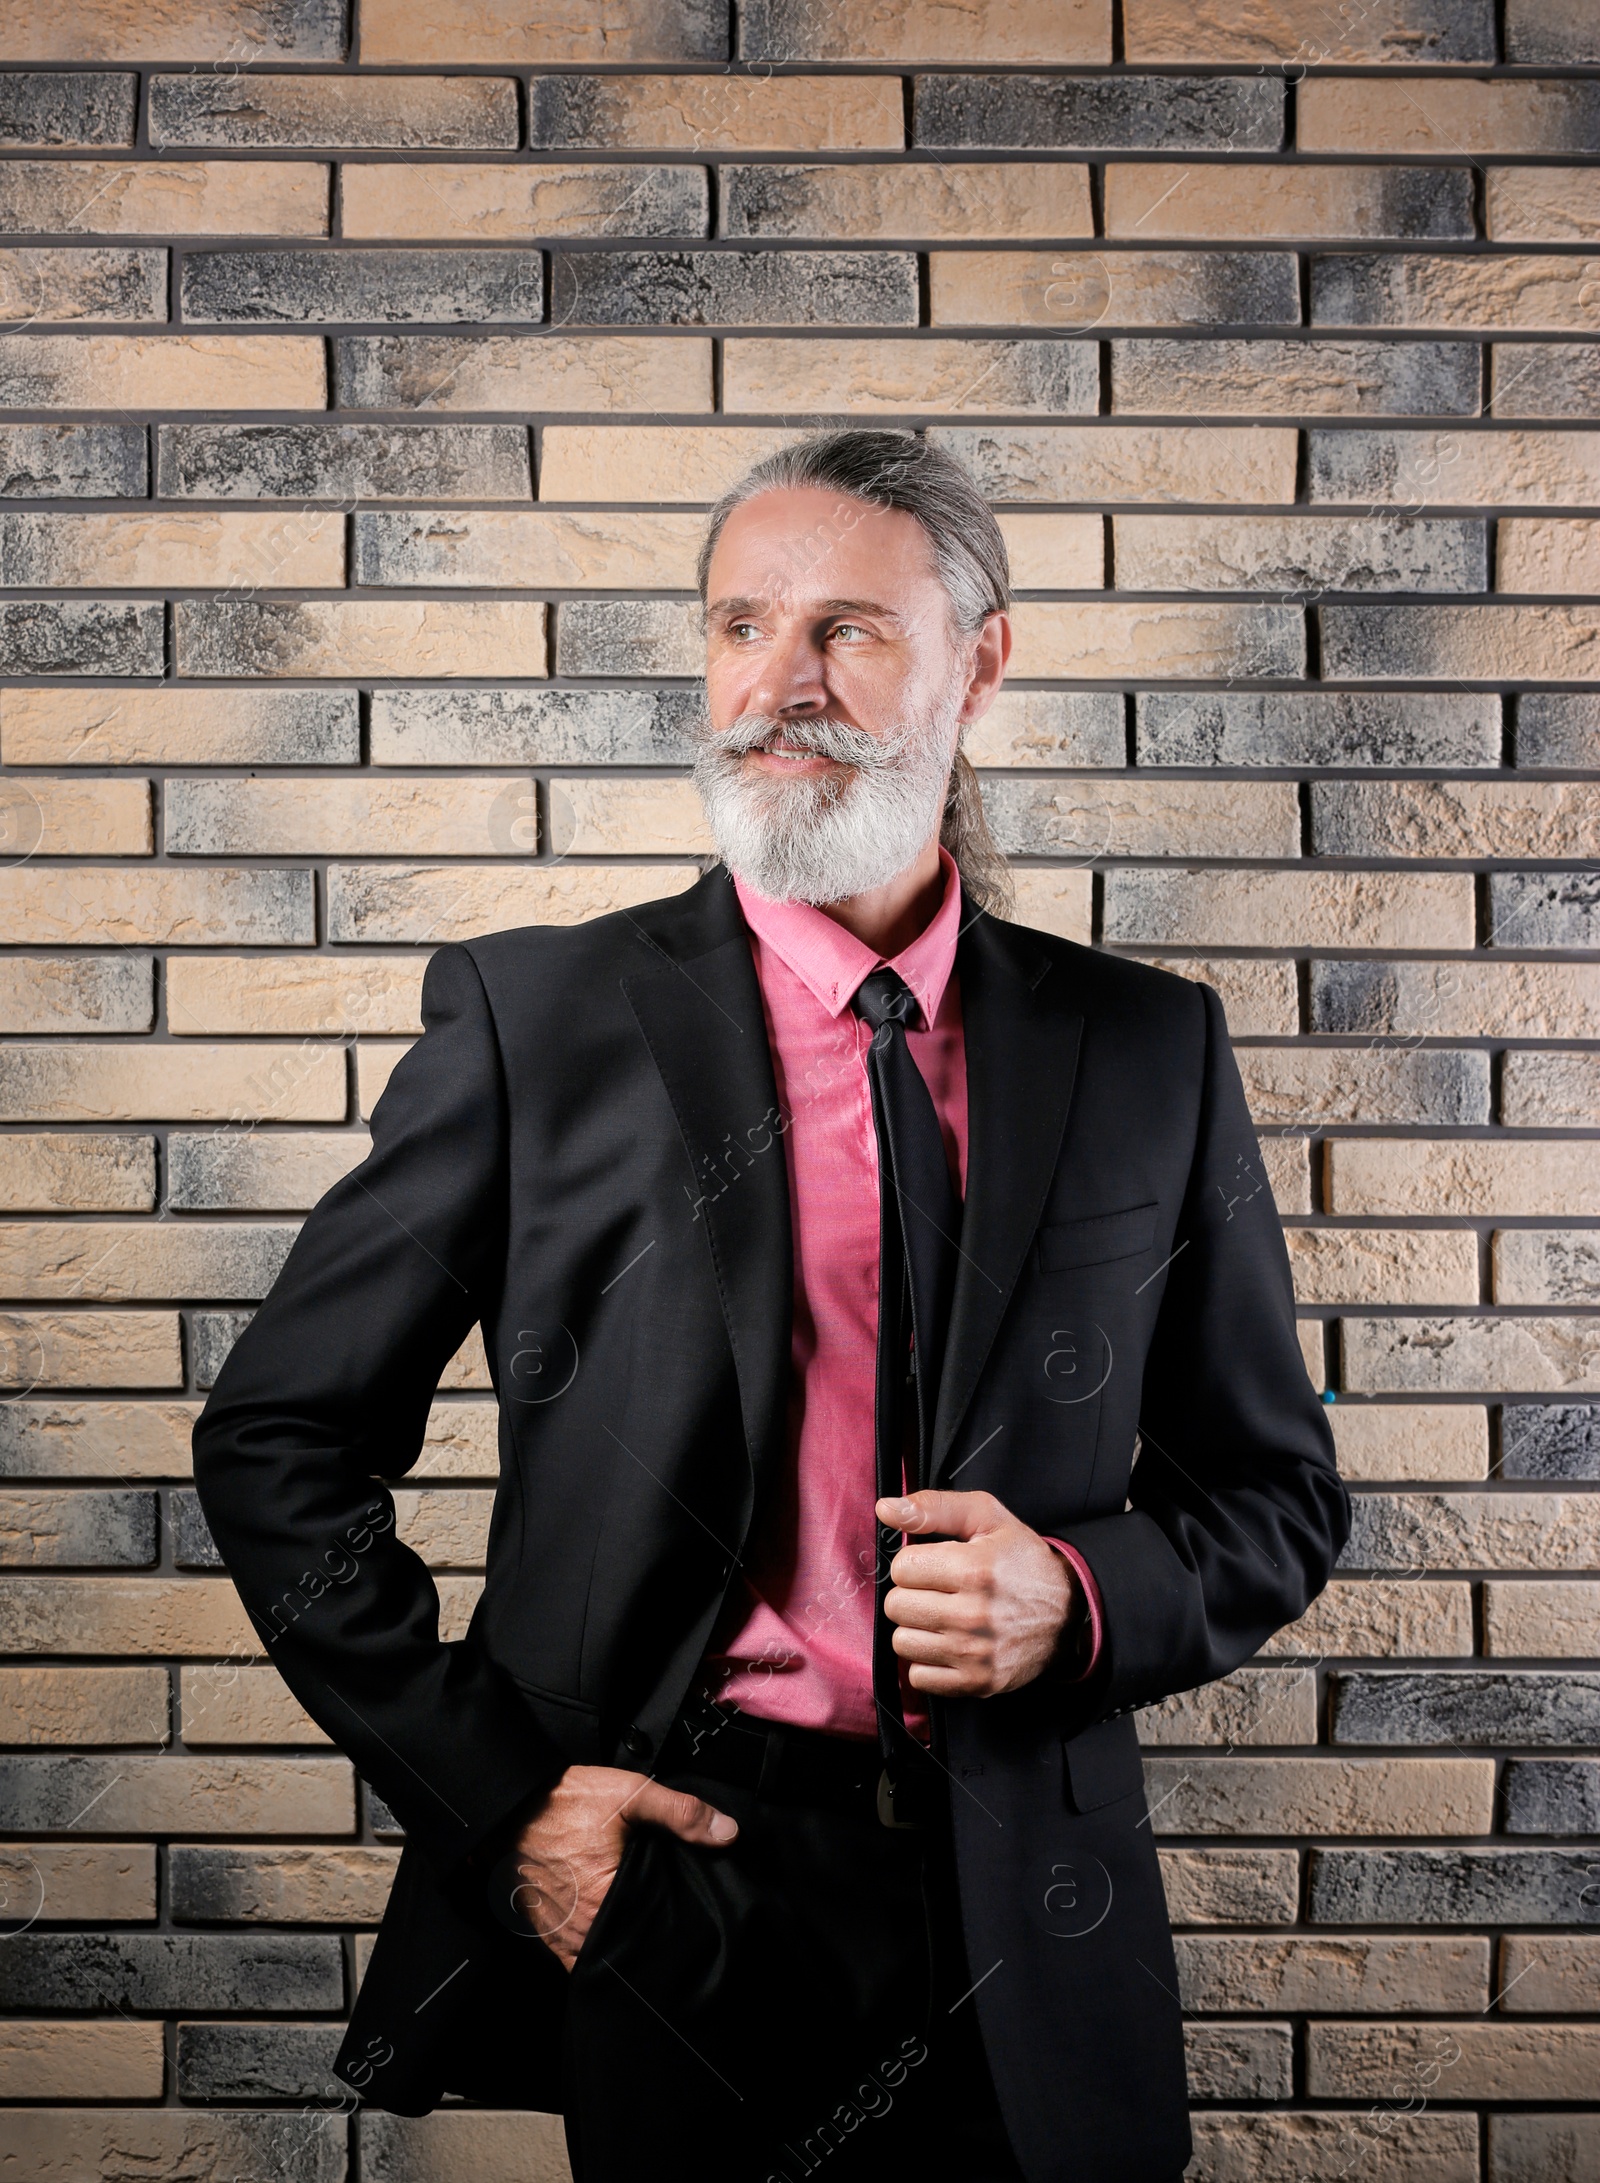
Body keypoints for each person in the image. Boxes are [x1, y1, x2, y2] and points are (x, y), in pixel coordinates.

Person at [193, 430, 1349, 2183]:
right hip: (681, 1888)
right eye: (743, 626)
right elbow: (281, 1438)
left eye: (848, 633)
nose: (777, 685)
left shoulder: (1144, 1049)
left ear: (983, 660)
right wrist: (511, 1802)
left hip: (1031, 1905)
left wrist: (1083, 1595)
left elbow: (1274, 1495)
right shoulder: (538, 1025)